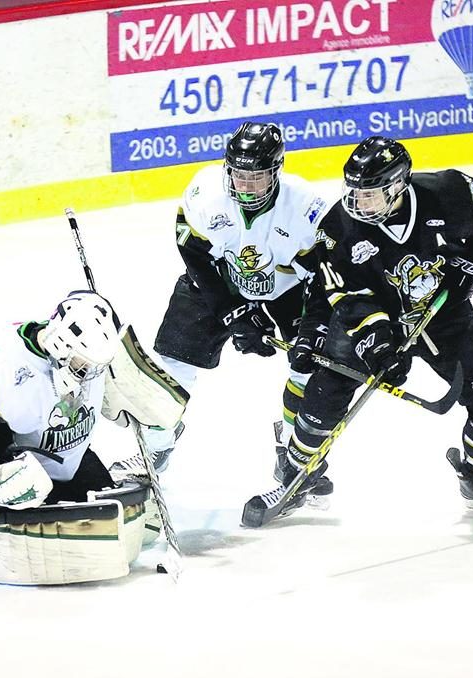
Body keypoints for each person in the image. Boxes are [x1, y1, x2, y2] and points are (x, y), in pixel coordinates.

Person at [277, 135, 473, 515]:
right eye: (353, 192)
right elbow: (347, 298)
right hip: (373, 317)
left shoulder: (446, 193)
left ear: (398, 186)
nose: (357, 202)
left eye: (369, 194)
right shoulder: (338, 228)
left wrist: (469, 258)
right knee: (325, 398)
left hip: (442, 313)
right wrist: (378, 344)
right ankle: (294, 474)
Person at [111, 121, 333, 503]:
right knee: (172, 359)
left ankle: (295, 457)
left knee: (309, 364)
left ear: (277, 171)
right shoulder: (205, 192)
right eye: (239, 175)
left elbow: (325, 278)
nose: (246, 186)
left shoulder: (307, 209)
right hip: (217, 282)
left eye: (258, 177)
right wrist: (233, 312)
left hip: (287, 290)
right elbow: (194, 254)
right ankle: (155, 447)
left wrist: (313, 332)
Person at [0, 289, 123, 509]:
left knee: (117, 510)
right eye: (84, 365)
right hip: (13, 471)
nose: (91, 374)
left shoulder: (89, 352)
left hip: (65, 461)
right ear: (60, 345)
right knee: (32, 485)